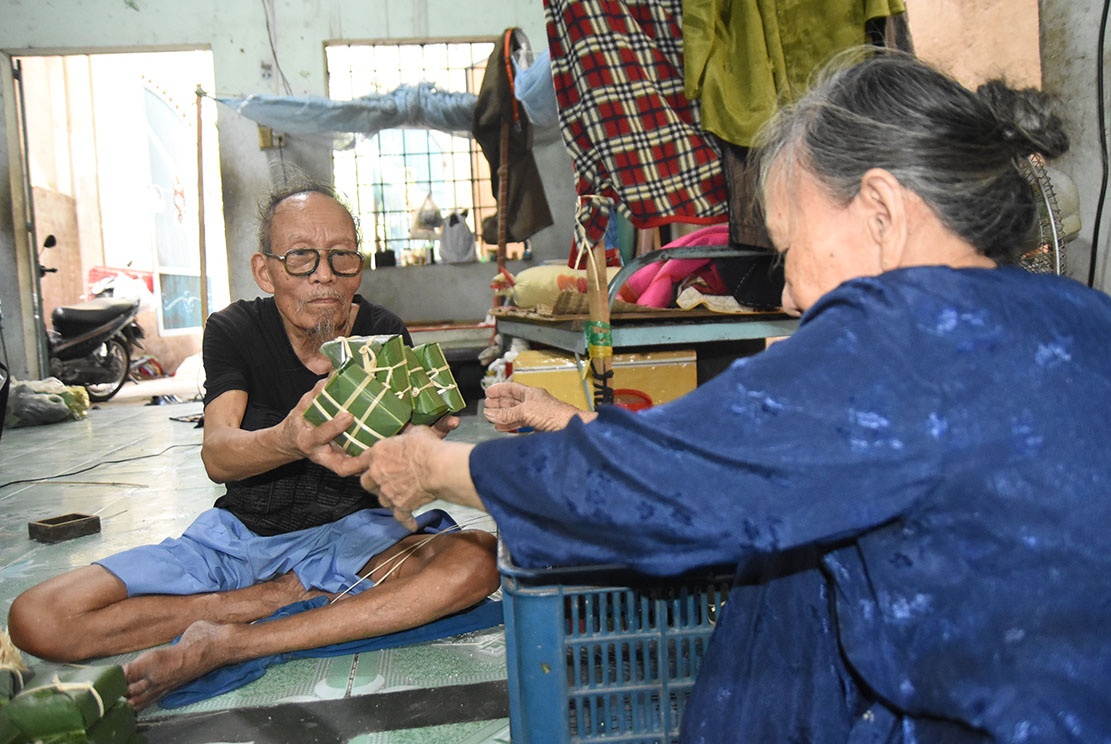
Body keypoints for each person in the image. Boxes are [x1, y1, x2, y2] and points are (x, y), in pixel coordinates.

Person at [356, 50, 1111, 742]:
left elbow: (665, 487)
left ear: (880, 211)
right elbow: (750, 461)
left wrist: (436, 466)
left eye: (789, 249)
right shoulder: (1080, 316)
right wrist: (574, 425)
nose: (788, 294)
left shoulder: (896, 331)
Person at [7, 182, 499, 710]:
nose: (325, 275)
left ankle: (233, 642)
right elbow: (218, 453)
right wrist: (289, 438)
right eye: (301, 257)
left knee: (477, 561)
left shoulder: (383, 332)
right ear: (265, 271)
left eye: (341, 256)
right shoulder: (235, 329)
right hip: (242, 540)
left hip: (359, 539)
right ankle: (280, 598)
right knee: (40, 619)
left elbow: (399, 461)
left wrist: (420, 449)